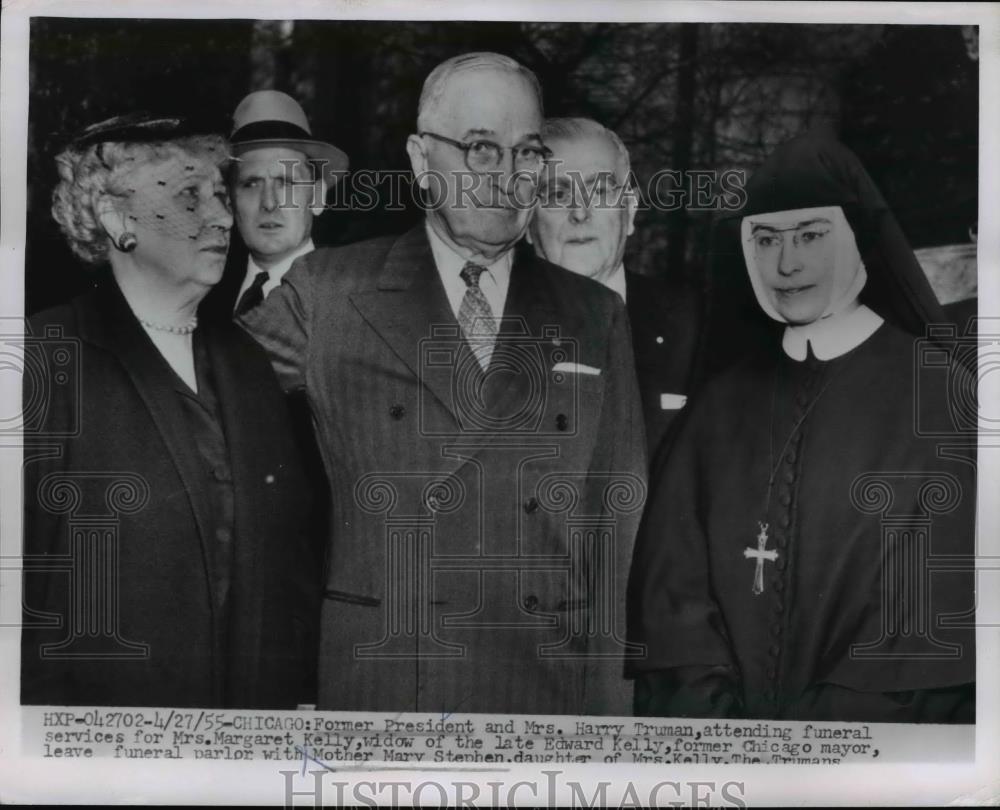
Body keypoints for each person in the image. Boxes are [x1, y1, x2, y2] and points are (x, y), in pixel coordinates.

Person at [240, 53, 647, 715]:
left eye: (526, 152)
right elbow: (201, 401)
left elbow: (615, 522)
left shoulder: (595, 316)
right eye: (482, 149)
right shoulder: (329, 293)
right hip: (386, 679)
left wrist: (603, 713)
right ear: (422, 160)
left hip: (545, 688)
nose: (508, 178)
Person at [630, 132, 975, 723]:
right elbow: (674, 594)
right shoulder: (720, 402)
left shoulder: (941, 395)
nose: (786, 264)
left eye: (811, 236)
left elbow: (930, 616)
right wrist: (717, 720)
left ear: (857, 241)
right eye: (767, 240)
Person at [21, 113, 321, 708]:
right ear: (116, 218)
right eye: (189, 195)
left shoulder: (247, 360)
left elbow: (291, 566)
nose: (220, 215)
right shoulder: (43, 360)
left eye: (216, 193)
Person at [527, 117, 703, 458]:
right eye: (557, 193)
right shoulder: (483, 328)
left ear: (630, 210)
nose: (580, 212)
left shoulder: (695, 326)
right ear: (526, 221)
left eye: (599, 191)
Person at [199, 90, 348, 321]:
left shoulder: (347, 306)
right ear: (230, 201)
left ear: (317, 196)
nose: (269, 202)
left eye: (286, 182)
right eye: (251, 183)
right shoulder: (201, 301)